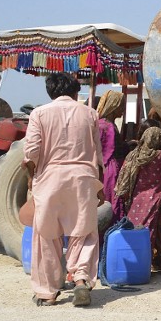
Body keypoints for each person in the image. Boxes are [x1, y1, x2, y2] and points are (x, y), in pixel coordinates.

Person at [22, 72, 104, 307]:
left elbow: (31, 153)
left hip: (49, 180)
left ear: (50, 92)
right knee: (84, 232)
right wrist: (100, 188)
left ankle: (47, 293)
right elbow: (97, 155)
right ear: (76, 92)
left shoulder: (39, 113)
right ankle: (80, 280)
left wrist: (31, 179)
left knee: (46, 236)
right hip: (83, 179)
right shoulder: (90, 114)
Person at [116, 121, 161, 276]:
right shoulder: (158, 155)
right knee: (149, 231)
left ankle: (132, 261)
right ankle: (145, 264)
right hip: (153, 197)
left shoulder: (134, 155)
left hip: (136, 197)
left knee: (134, 227)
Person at [95, 89, 125, 215]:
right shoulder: (106, 126)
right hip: (109, 171)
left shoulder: (106, 124)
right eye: (121, 105)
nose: (123, 109)